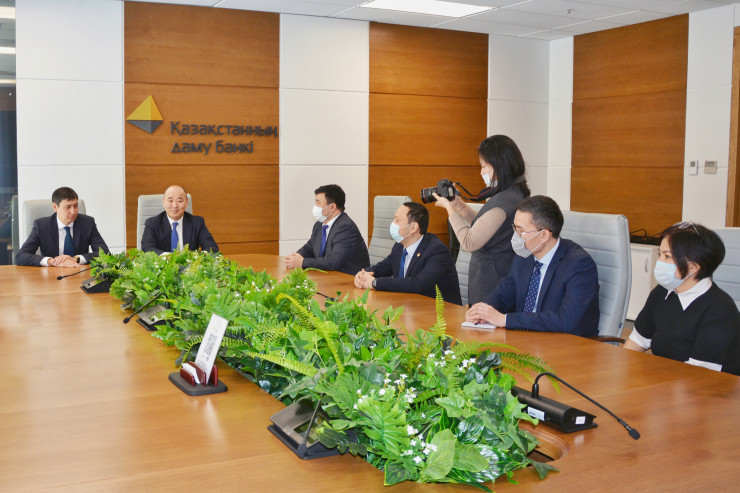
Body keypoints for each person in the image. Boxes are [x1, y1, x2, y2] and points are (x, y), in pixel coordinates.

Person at [465, 195, 600, 336]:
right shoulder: (524, 257)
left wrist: (505, 320)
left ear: (543, 235)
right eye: (515, 228)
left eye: (520, 230)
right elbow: (502, 295)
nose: (516, 235)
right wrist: (482, 311)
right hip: (526, 338)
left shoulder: (579, 265)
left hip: (566, 343)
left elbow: (565, 320)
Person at [624, 223, 740, 375]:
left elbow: (699, 374)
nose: (659, 262)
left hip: (710, 385)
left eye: (667, 256)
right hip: (667, 378)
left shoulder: (720, 310)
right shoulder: (661, 292)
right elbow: (638, 341)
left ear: (694, 267)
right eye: (660, 254)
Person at [433, 135, 530, 305]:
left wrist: (449, 209)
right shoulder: (514, 192)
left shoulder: (503, 202)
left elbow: (469, 242)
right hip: (499, 277)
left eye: (484, 166)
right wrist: (459, 205)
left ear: (499, 165)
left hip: (492, 282)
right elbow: (484, 225)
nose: (481, 172)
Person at [354, 202, 462, 305]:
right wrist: (363, 274)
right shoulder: (399, 246)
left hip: (439, 312)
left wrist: (375, 283)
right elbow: (383, 267)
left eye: (397, 220)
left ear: (413, 227)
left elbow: (417, 284)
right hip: (407, 306)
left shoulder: (437, 251)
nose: (393, 224)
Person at [285, 184, 369, 275]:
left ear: (332, 207)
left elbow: (333, 262)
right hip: (328, 276)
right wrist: (295, 257)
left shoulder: (345, 227)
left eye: (318, 203)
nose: (315, 206)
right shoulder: (319, 225)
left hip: (348, 279)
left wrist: (302, 262)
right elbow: (310, 248)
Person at [16, 187, 109, 267]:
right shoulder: (42, 226)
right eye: (67, 207)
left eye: (75, 206)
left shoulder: (87, 223)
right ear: (55, 207)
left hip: (78, 271)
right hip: (51, 275)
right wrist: (51, 261)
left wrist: (76, 259)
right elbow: (21, 256)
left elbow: (104, 253)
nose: (73, 212)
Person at [141, 185, 219, 254]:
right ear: (164, 202)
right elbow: (147, 249)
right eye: (170, 201)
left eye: (180, 201)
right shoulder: (152, 223)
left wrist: (197, 257)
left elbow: (212, 248)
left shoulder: (197, 222)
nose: (175, 205)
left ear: (186, 202)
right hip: (162, 265)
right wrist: (168, 257)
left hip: (190, 265)